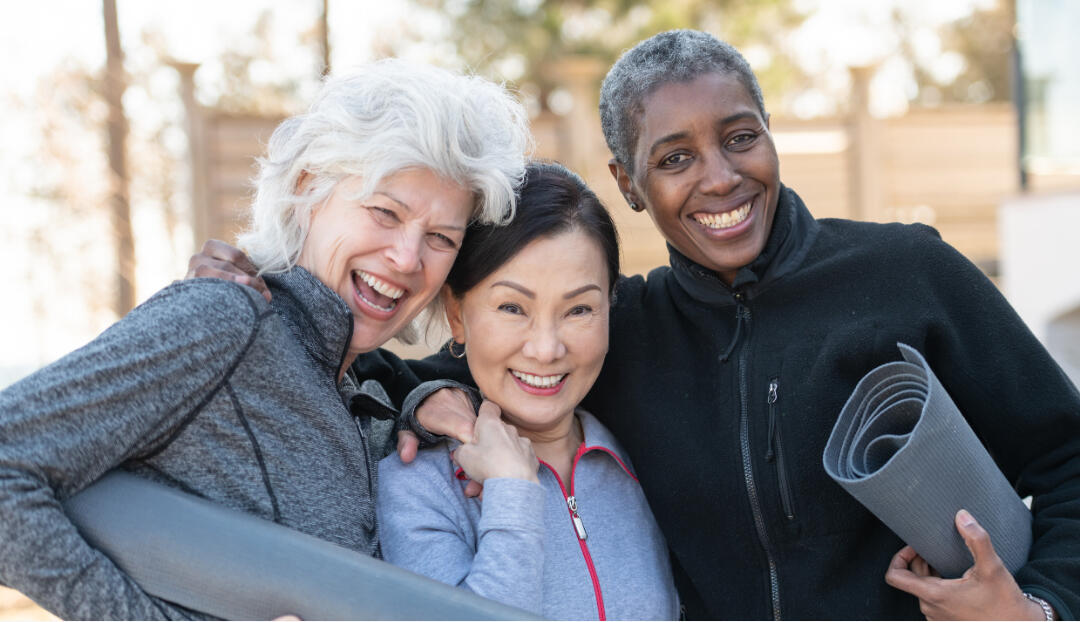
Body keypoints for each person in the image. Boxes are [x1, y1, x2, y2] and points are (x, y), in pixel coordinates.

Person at [186, 31, 1080, 620]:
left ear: (770, 136)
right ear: (628, 183)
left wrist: (1040, 606)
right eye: (676, 158)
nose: (721, 178)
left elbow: (1067, 456)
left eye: (741, 137)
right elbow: (429, 370)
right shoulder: (621, 331)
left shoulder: (905, 273)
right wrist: (268, 294)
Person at [0, 59, 529, 620]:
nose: (406, 258)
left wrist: (416, 411)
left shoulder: (358, 388)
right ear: (308, 190)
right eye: (384, 212)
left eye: (440, 238)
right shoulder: (224, 320)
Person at [376, 162, 679, 620]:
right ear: (457, 314)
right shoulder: (416, 485)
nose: (545, 349)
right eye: (513, 307)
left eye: (578, 309)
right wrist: (512, 490)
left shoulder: (640, 455)